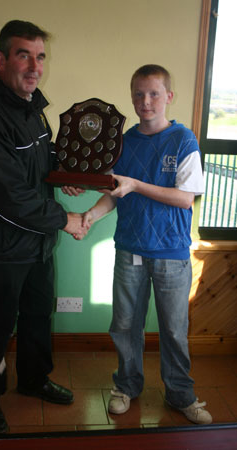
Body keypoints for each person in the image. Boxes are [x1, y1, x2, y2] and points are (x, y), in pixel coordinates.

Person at [0, 20, 86, 435]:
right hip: (1, 245)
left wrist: (61, 172)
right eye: (24, 55)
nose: (35, 66)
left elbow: (38, 163)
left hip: (36, 241)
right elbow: (7, 194)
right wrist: (64, 219)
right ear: (0, 59)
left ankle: (33, 379)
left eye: (40, 56)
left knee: (36, 312)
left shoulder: (32, 109)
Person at [78, 64, 212, 425]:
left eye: (154, 93)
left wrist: (136, 184)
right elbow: (115, 193)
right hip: (129, 250)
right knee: (124, 325)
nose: (145, 101)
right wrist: (91, 213)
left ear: (169, 97)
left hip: (171, 253)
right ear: (131, 97)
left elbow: (185, 198)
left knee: (172, 330)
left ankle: (181, 395)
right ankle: (126, 385)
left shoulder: (184, 140)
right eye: (138, 93)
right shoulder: (122, 142)